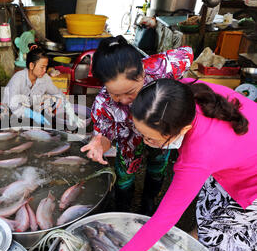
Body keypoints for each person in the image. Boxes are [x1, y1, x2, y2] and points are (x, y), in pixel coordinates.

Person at [102, 78, 257, 251]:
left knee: (221, 233)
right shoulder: (176, 94)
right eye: (141, 133)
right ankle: (195, 240)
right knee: (211, 215)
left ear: (184, 129)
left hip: (252, 180)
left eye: (152, 138)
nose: (145, 141)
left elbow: (166, 217)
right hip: (239, 149)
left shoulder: (199, 157)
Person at [80, 36, 193, 215]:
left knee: (158, 164)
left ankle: (149, 200)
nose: (124, 100)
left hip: (160, 133)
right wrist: (99, 145)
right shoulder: (102, 103)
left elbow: (187, 53)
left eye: (130, 92)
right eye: (116, 95)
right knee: (125, 173)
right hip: (128, 140)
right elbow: (106, 137)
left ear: (142, 73)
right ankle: (123, 208)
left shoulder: (159, 68)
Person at [2, 45, 84, 127]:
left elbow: (59, 94)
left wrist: (70, 112)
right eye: (42, 67)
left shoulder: (44, 78)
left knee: (53, 99)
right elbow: (13, 105)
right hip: (9, 112)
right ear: (31, 66)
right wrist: (32, 115)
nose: (45, 70)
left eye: (46, 67)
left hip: (29, 109)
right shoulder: (18, 78)